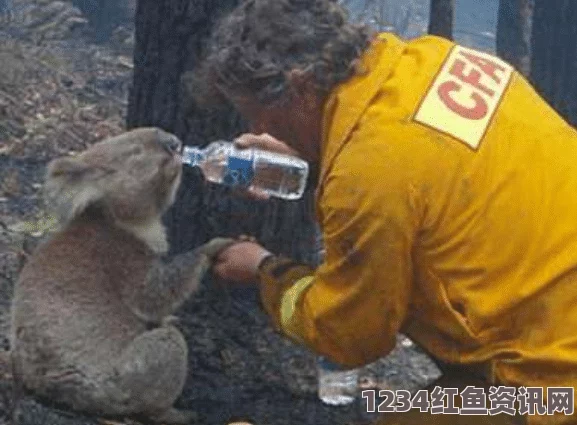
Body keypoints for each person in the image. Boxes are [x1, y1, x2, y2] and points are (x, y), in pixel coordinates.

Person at [190, 0, 577, 424]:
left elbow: (351, 336)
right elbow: (418, 172)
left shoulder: (368, 174)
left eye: (260, 117)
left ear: (299, 89)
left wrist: (264, 271)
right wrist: (314, 154)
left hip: (553, 384)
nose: (261, 131)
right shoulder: (434, 58)